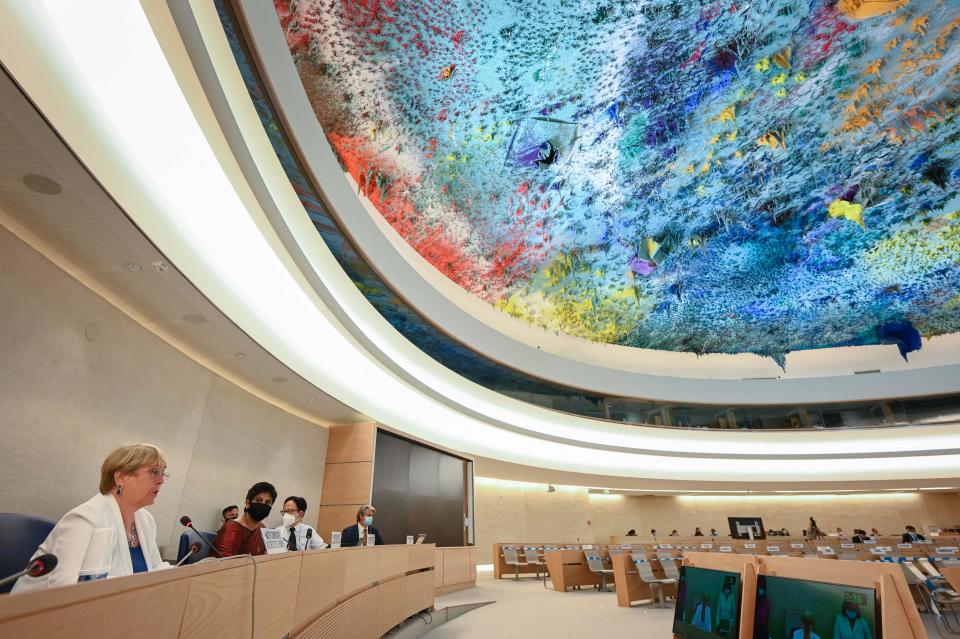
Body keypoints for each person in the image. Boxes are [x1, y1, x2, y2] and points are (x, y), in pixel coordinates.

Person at [13, 444, 170, 592]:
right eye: (154, 472)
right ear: (121, 477)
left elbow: (154, 568)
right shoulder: (84, 519)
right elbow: (65, 589)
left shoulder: (145, 520)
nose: (161, 481)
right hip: (38, 615)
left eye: (163, 473)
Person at [213, 481, 276, 556]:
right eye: (259, 500)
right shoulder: (232, 529)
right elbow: (224, 564)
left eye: (267, 502)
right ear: (248, 503)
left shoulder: (262, 528)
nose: (263, 504)